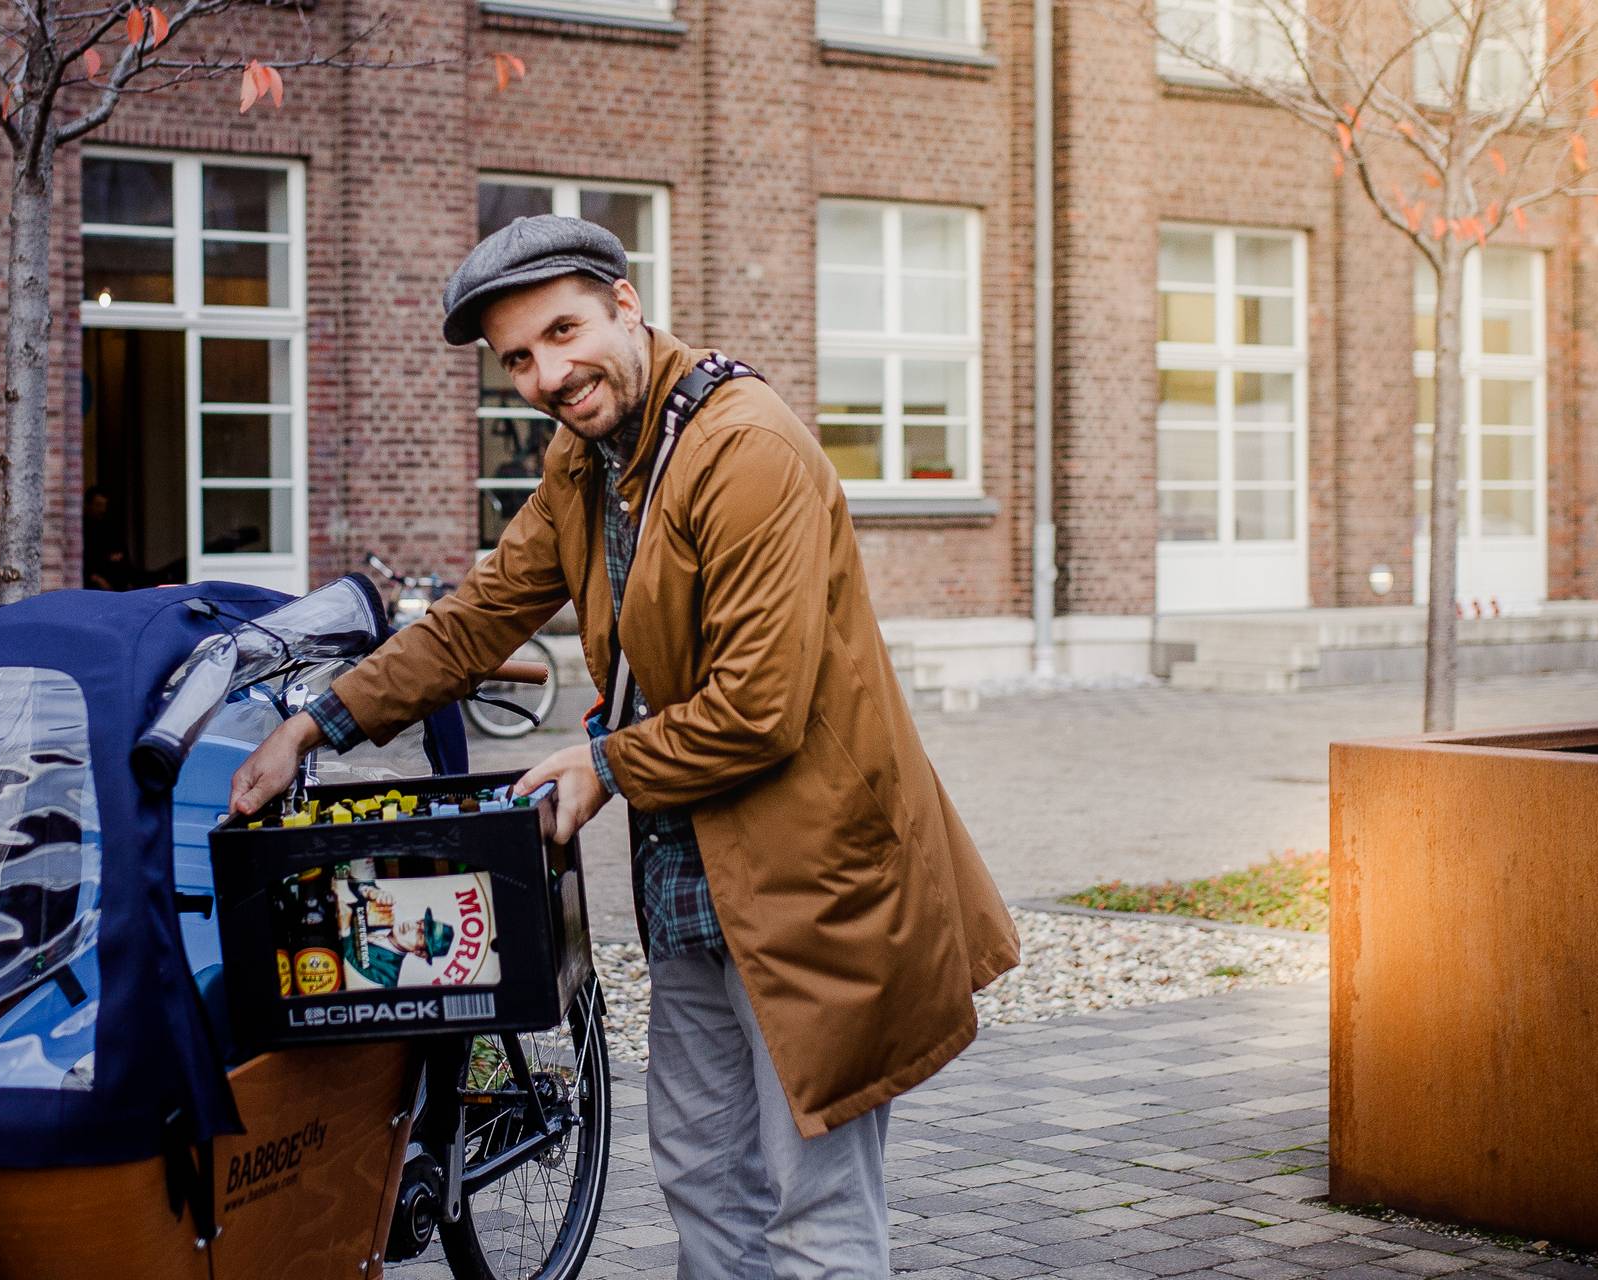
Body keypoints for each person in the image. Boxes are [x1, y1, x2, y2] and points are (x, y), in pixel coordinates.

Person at [230, 215, 1020, 1278]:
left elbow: (760, 703)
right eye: (518, 357)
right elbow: (479, 616)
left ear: (625, 302)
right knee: (699, 1170)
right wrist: (315, 720)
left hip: (809, 878)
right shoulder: (588, 460)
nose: (549, 372)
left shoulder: (746, 449)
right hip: (688, 875)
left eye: (563, 331)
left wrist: (599, 763)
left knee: (812, 1204)